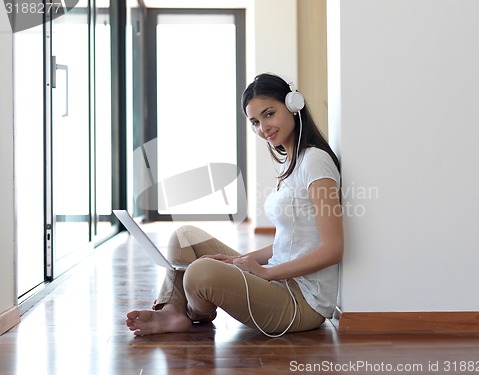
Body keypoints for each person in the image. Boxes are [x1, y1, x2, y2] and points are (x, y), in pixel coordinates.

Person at [126, 73, 343, 336]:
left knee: (199, 273)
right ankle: (173, 311)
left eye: (269, 114)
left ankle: (190, 311)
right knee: (184, 237)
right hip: (278, 278)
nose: (263, 128)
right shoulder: (291, 161)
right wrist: (240, 260)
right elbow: (291, 242)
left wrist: (265, 274)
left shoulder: (315, 161)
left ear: (293, 104)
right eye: (255, 122)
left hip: (302, 302)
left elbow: (333, 249)